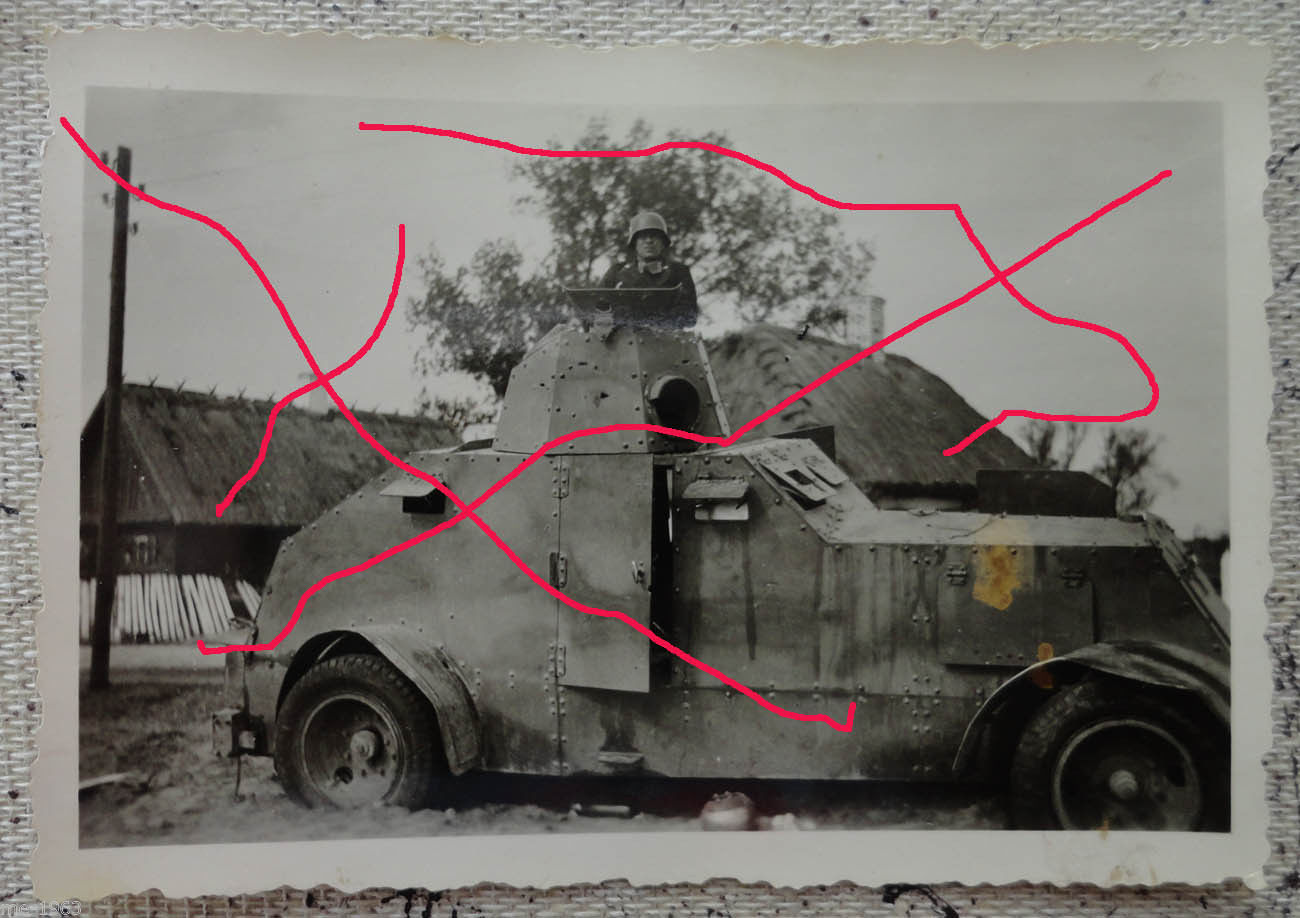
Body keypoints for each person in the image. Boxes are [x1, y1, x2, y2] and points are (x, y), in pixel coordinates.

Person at [599, 211, 699, 330]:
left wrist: (656, 324)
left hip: (665, 337)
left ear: (663, 242)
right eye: (642, 236)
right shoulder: (617, 272)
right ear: (634, 242)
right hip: (623, 337)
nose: (649, 241)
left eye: (655, 236)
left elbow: (689, 315)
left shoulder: (678, 272)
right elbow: (594, 309)